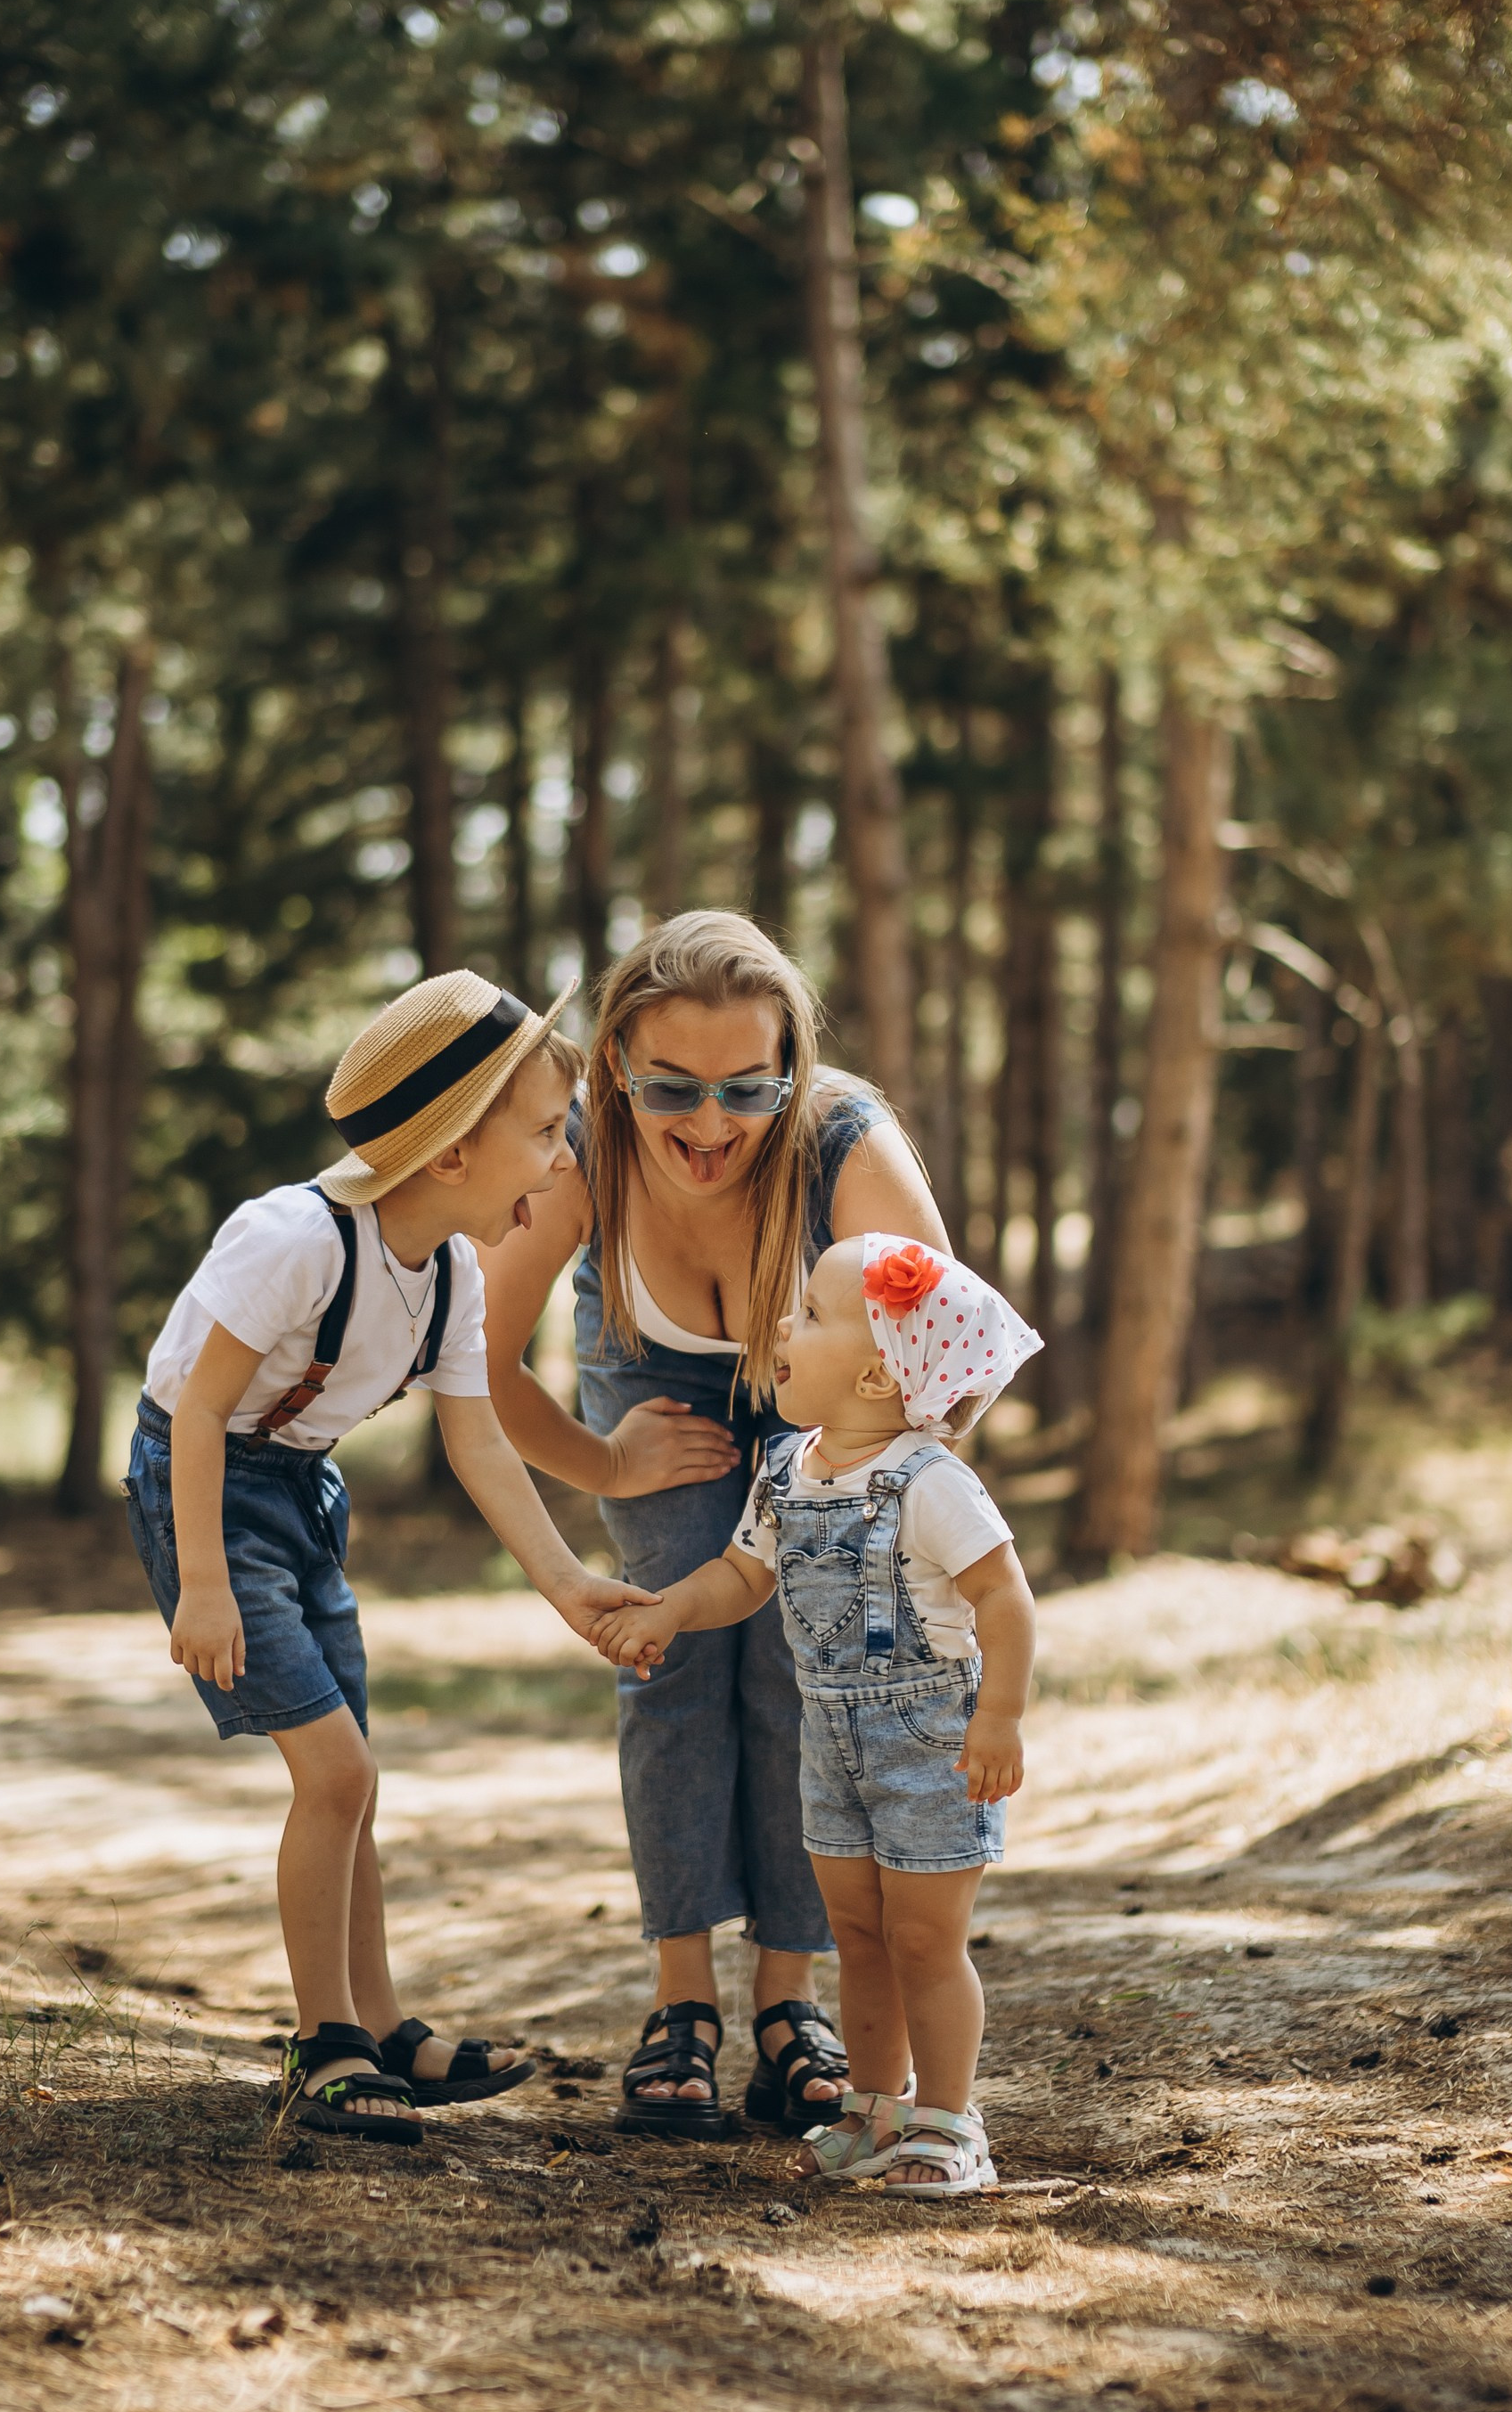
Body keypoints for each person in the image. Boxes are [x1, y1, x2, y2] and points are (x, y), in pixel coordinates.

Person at [126, 971, 654, 2146]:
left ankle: (382, 2024)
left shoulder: (452, 1274)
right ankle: (325, 2045)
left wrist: (566, 1581)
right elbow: (200, 1413)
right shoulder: (292, 1242)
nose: (562, 1161)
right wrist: (205, 1580)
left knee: (351, 1777)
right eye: (540, 1134)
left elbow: (477, 1444)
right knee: (339, 1775)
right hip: (207, 1487)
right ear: (453, 1156)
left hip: (306, 1493)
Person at [482, 912, 949, 2138]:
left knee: (803, 1662)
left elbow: (943, 1368)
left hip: (831, 1395)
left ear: (792, 1068)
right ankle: (681, 1997)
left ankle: (791, 2001)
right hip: (656, 1386)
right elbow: (474, 1368)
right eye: (669, 1088)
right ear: (613, 1071)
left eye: (748, 1087)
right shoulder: (578, 1149)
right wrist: (600, 1459)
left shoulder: (845, 1144)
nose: (708, 1125)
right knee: (675, 1650)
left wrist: (852, 1507)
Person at [591, 1233, 1042, 2196]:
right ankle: (875, 2108)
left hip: (928, 1746)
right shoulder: (787, 1468)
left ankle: (951, 2123)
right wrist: (672, 1607)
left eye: (811, 1315)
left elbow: (1005, 1600)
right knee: (859, 1933)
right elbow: (742, 1575)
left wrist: (998, 1717)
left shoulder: (931, 1484)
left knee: (925, 1940)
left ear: (879, 1377)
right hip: (829, 1742)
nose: (782, 1326)